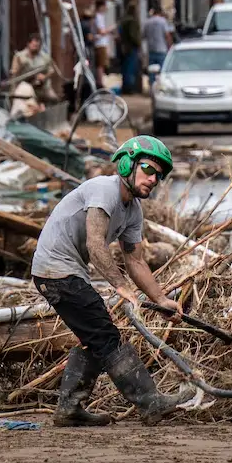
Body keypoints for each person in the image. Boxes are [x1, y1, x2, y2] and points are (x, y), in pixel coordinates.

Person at [31, 135, 195, 426]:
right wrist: (122, 287)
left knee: (95, 336)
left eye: (159, 175)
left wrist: (160, 299)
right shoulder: (103, 191)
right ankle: (149, 402)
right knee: (106, 336)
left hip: (68, 272)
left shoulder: (133, 211)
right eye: (148, 169)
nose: (154, 179)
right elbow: (96, 246)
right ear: (126, 165)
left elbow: (135, 260)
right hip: (55, 270)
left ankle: (69, 410)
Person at [11, 33, 60, 102]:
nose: (36, 48)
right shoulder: (19, 57)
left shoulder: (44, 57)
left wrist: (44, 76)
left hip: (41, 86)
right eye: (34, 46)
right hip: (25, 85)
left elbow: (51, 71)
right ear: (29, 44)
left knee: (54, 99)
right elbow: (14, 73)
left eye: (38, 46)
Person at [143, 5, 175, 76]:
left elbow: (143, 36)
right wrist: (170, 47)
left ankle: (152, 84)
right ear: (160, 12)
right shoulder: (162, 21)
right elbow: (167, 35)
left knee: (151, 71)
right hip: (162, 50)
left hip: (151, 50)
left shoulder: (147, 22)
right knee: (162, 71)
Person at [119, 3, 143, 95]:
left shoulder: (123, 20)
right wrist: (138, 43)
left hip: (124, 47)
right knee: (131, 68)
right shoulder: (132, 21)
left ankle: (125, 86)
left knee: (125, 68)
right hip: (132, 47)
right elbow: (133, 35)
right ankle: (129, 88)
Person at [93, 0, 114, 76]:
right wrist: (110, 29)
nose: (106, 8)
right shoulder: (98, 17)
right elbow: (100, 31)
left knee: (102, 64)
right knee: (100, 65)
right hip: (100, 43)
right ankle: (100, 83)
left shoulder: (101, 17)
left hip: (103, 43)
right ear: (101, 7)